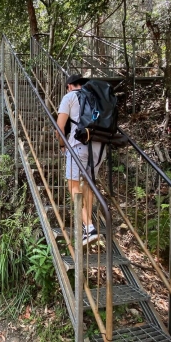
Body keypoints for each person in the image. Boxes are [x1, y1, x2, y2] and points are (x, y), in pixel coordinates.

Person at [56, 74, 106, 245]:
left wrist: (63, 145)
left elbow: (60, 125)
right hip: (100, 147)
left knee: (73, 185)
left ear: (69, 86)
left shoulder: (69, 96)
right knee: (89, 184)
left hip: (78, 145)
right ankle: (88, 225)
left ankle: (89, 227)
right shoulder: (95, 96)